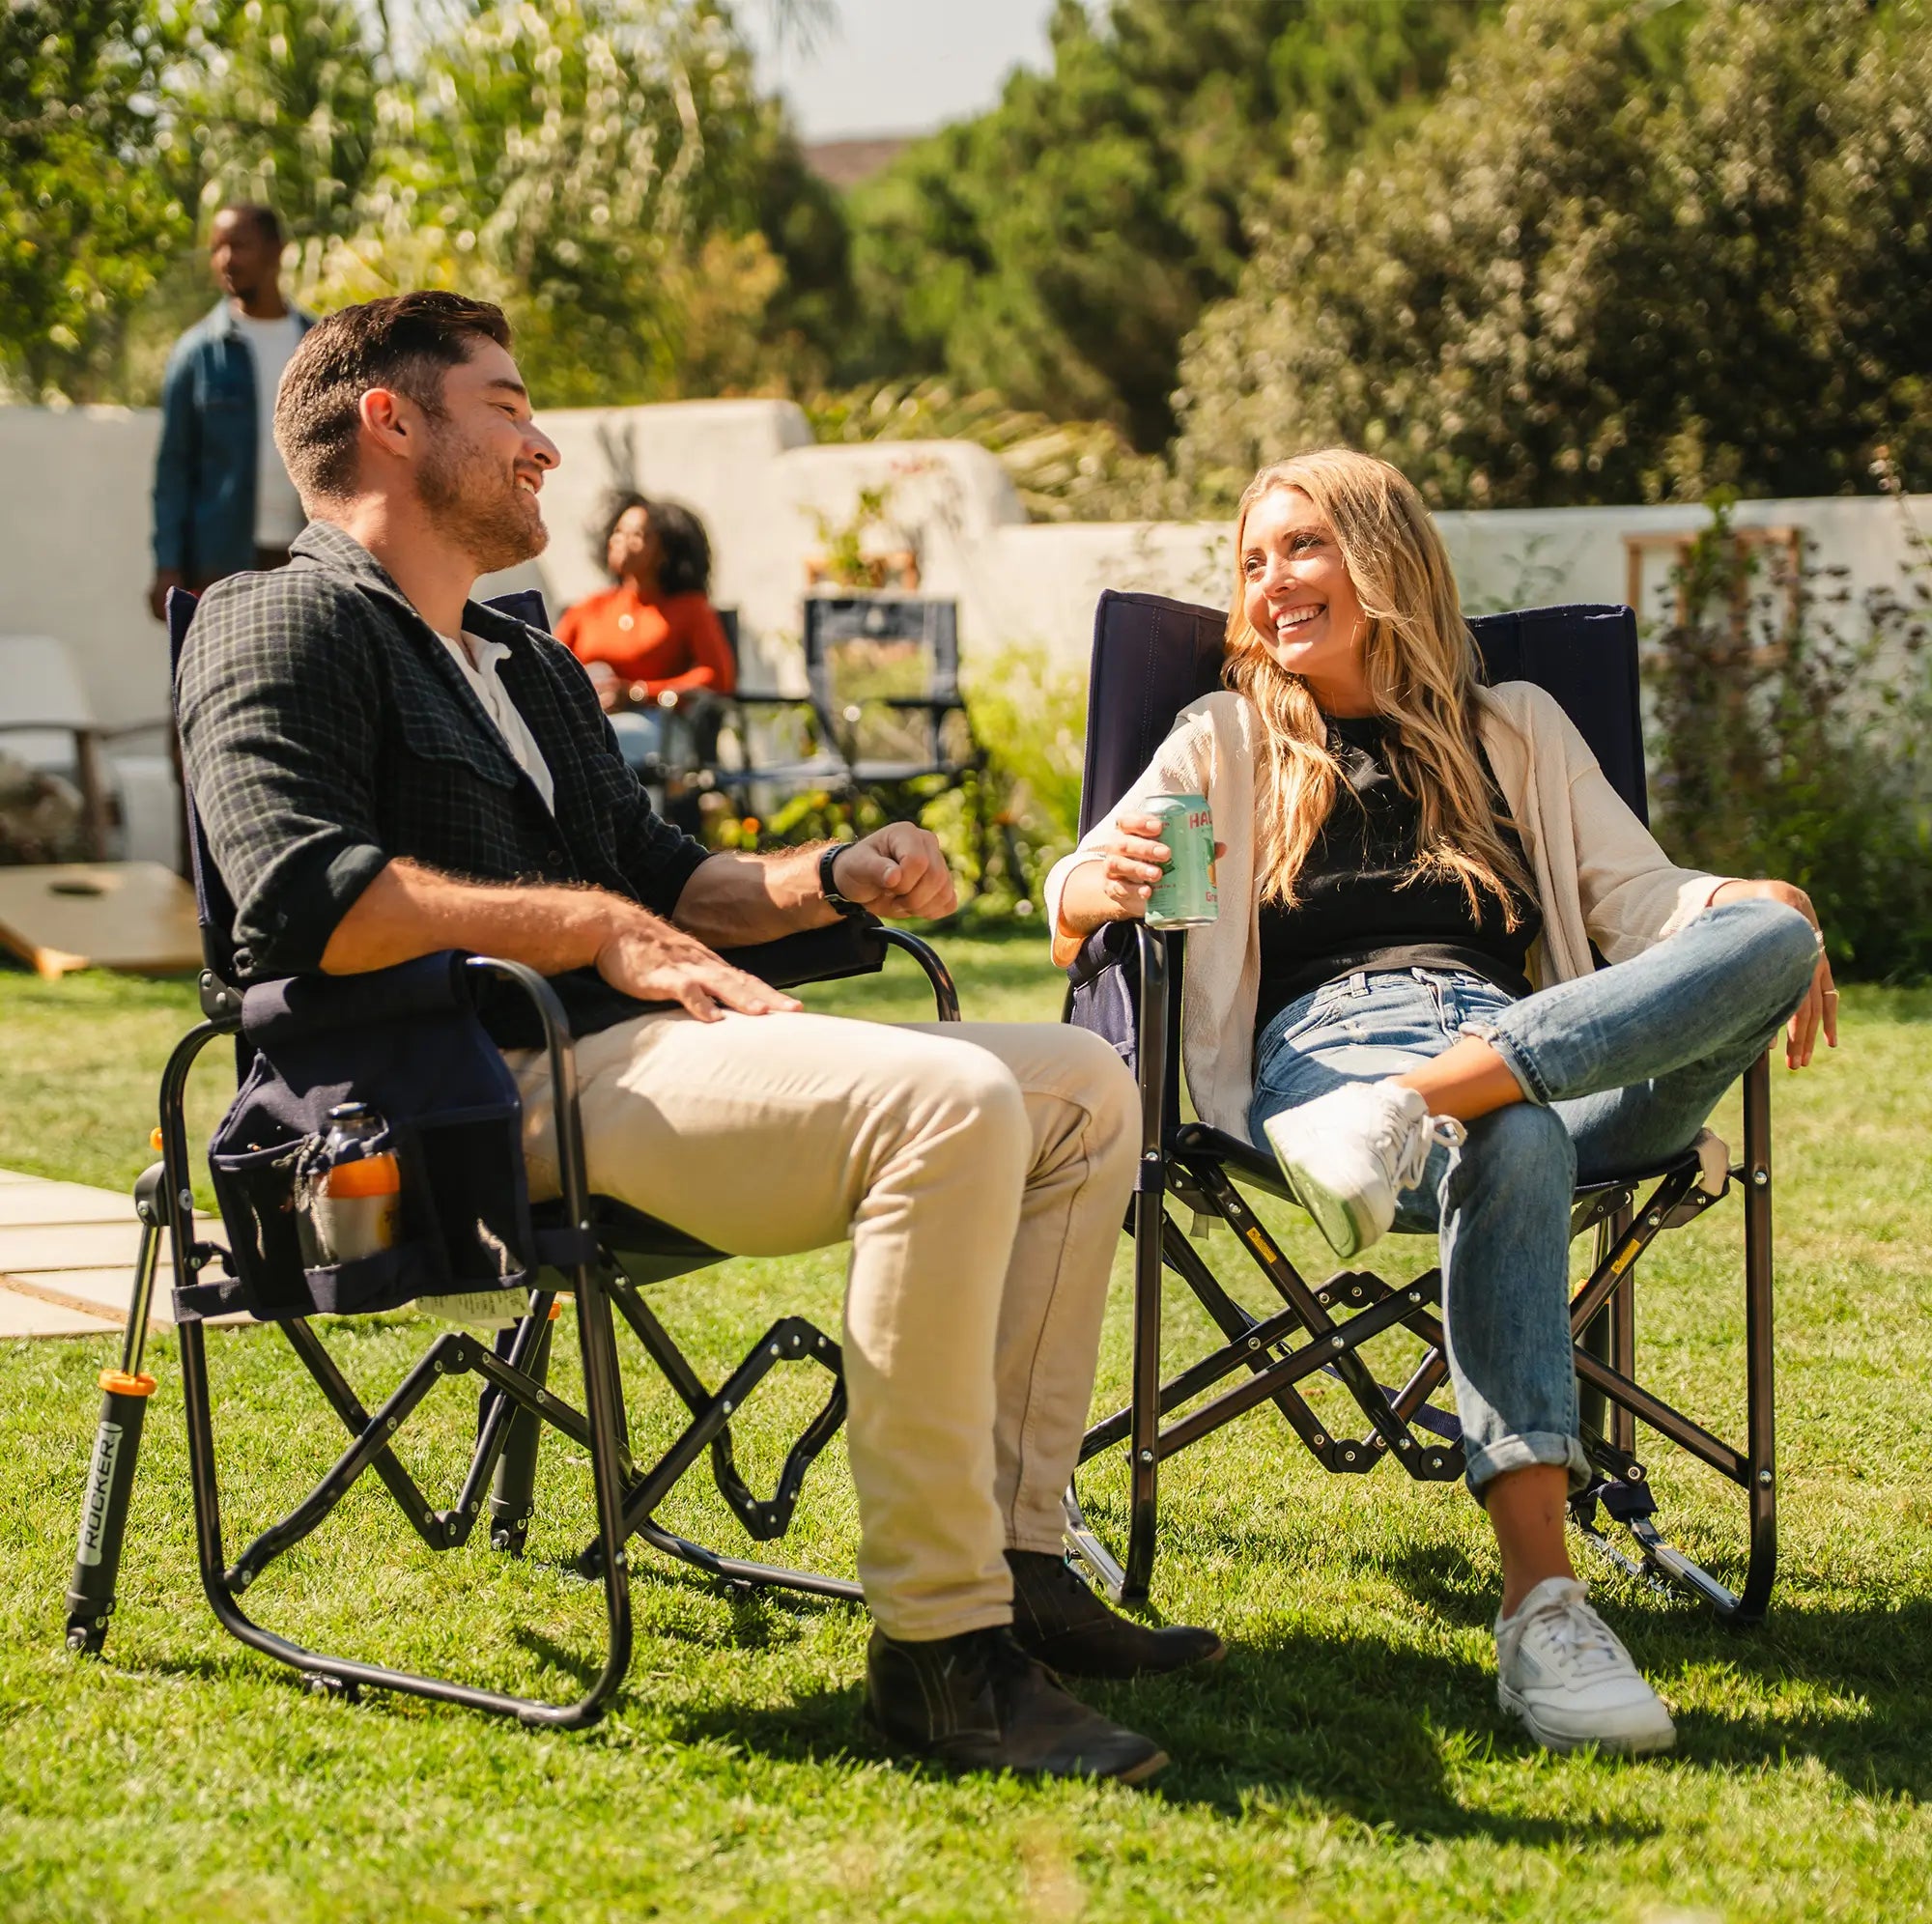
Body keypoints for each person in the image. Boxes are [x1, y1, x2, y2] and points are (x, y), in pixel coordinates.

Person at [177, 290, 1222, 1785]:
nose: (542, 445)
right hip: (464, 1081)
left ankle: (1019, 1557)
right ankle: (939, 1652)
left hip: (623, 1054)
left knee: (1076, 1082)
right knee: (945, 1104)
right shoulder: (278, 617)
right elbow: (302, 898)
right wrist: (587, 929)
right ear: (388, 422)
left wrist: (829, 876)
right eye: (506, 404)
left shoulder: (523, 661)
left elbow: (667, 876)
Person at [1047, 447, 1834, 1758]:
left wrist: (1744, 910)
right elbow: (1106, 898)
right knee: (1509, 1128)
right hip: (1325, 1075)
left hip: (1533, 1051)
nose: (1271, 580)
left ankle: (1431, 1100)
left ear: (1384, 556)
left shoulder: (1516, 725)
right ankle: (1543, 1607)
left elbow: (1645, 907)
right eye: (1252, 561)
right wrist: (1096, 884)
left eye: (1301, 546)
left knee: (1777, 939)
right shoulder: (1227, 741)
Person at [149, 205, 313, 621]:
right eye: (217, 248)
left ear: (276, 251)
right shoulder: (197, 353)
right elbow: (174, 467)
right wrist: (167, 563)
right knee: (211, 680)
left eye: (239, 245)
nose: (226, 259)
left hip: (306, 554)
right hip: (219, 562)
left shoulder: (318, 345)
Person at [555, 493, 736, 770]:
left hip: (657, 726)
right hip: (587, 722)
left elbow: (717, 679)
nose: (621, 541)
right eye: (618, 531)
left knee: (598, 743)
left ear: (664, 552)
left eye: (637, 534)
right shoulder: (587, 609)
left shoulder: (689, 609)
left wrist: (637, 693)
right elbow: (547, 666)